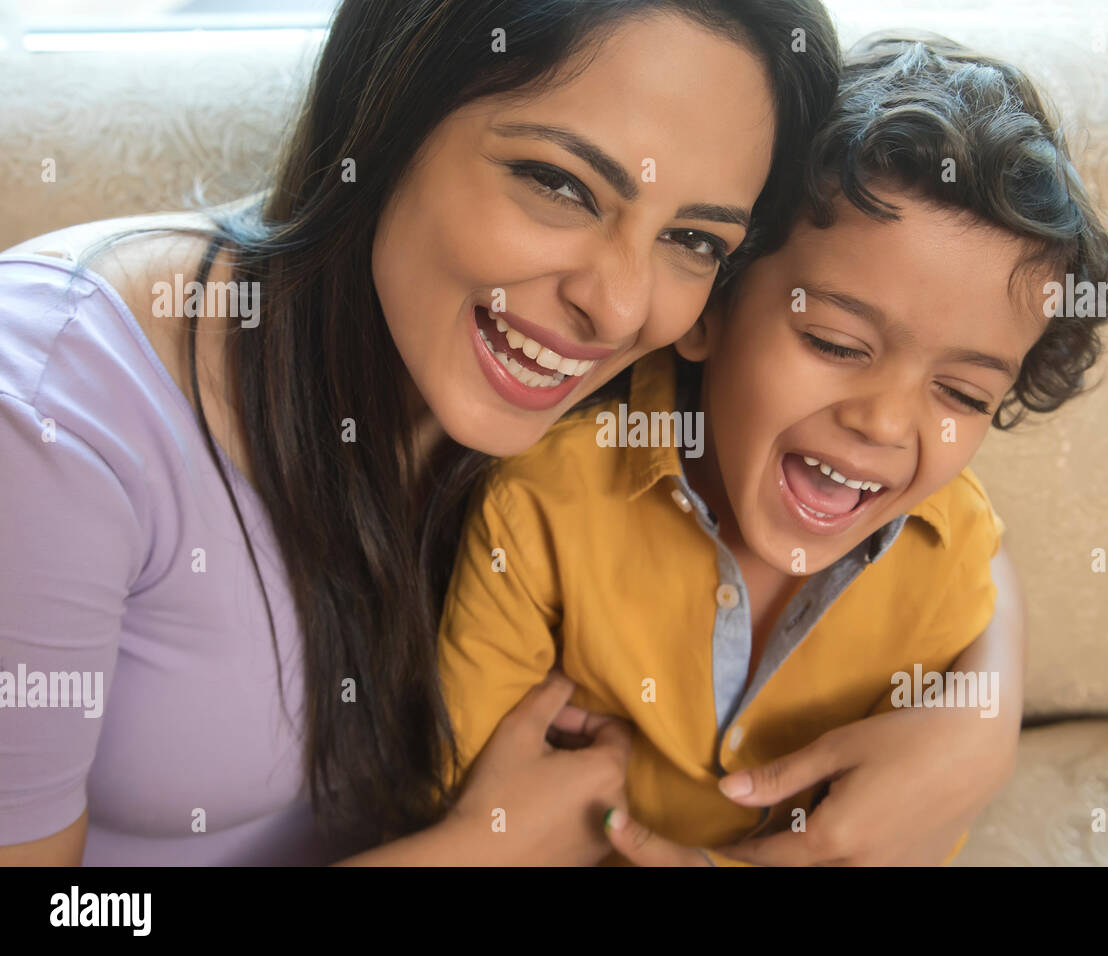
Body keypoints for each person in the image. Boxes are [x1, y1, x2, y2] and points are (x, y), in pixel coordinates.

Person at [0, 0, 842, 865]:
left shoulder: (632, 388)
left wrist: (966, 714)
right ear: (389, 110)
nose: (620, 308)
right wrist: (475, 853)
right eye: (560, 185)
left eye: (694, 239)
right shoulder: (46, 414)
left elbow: (889, 450)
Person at [437, 33, 1108, 865]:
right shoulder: (539, 506)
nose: (885, 424)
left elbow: (909, 835)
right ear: (712, 302)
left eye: (961, 394)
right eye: (837, 342)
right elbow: (477, 804)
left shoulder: (951, 562)